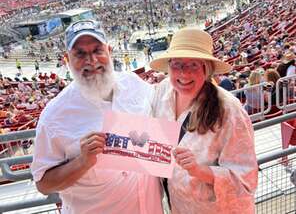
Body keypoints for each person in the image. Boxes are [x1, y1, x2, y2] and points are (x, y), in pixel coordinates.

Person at [31, 20, 163, 214]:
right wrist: (82, 162)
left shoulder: (134, 85)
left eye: (97, 50)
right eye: (80, 54)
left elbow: (164, 111)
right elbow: (43, 184)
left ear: (109, 51)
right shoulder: (54, 116)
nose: (91, 61)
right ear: (67, 59)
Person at [150, 27, 258, 214]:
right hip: (177, 206)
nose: (184, 74)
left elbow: (246, 180)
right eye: (177, 64)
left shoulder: (229, 110)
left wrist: (199, 170)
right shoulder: (162, 91)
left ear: (206, 68)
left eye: (193, 65)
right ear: (168, 66)